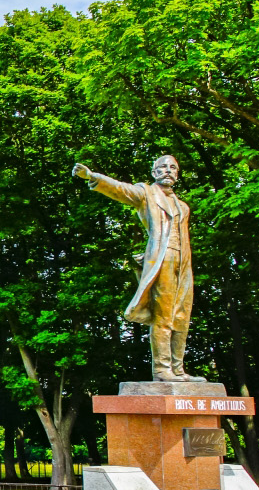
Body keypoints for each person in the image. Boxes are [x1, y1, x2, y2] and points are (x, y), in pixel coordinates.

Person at [72, 155, 205, 382]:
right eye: (163, 167)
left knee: (182, 316)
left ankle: (178, 370)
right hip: (162, 259)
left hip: (183, 263)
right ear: (154, 172)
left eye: (173, 167)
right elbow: (121, 189)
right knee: (162, 316)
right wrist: (92, 176)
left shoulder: (183, 206)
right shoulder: (146, 193)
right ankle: (162, 370)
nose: (168, 170)